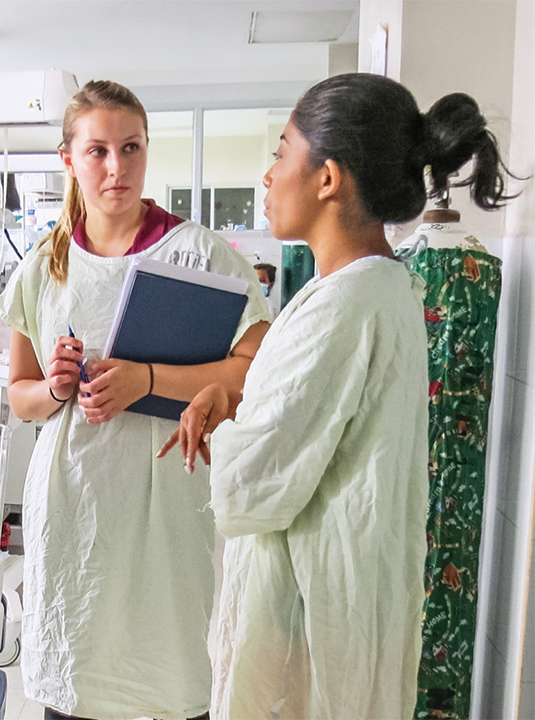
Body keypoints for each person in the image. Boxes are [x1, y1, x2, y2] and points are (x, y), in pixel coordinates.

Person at [161, 73, 519, 718]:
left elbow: (256, 484)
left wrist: (229, 431)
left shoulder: (346, 304)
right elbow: (317, 430)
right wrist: (238, 401)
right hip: (337, 603)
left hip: (310, 620)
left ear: (328, 178)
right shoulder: (373, 288)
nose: (268, 176)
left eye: (280, 152)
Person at [0, 79, 271, 720]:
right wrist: (56, 388)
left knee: (169, 680)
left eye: (131, 148)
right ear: (68, 159)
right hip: (73, 504)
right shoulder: (46, 264)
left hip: (165, 505)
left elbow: (251, 369)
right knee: (75, 681)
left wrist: (147, 380)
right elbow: (19, 396)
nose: (116, 167)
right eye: (97, 151)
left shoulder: (198, 253)